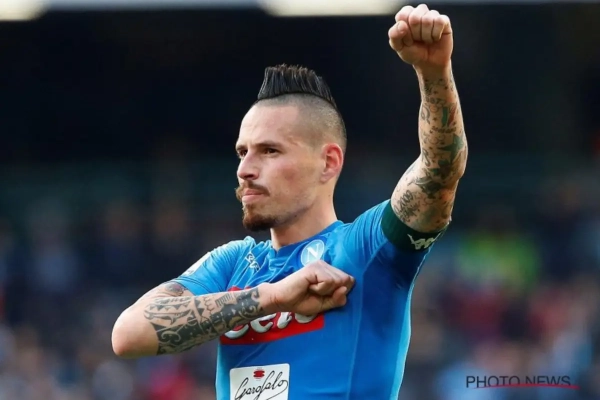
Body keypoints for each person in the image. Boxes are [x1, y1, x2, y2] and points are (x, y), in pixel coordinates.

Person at [112, 4, 468, 399]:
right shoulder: (233, 263)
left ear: (328, 162)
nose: (245, 170)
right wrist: (275, 296)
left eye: (269, 151)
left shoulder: (363, 249)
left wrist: (434, 73)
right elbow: (128, 334)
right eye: (242, 152)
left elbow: (439, 172)